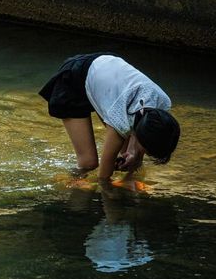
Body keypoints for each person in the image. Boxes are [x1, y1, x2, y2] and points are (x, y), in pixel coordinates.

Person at [39, 52, 180, 182]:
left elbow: (141, 126)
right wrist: (110, 197)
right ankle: (70, 183)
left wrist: (133, 154)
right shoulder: (120, 124)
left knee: (128, 155)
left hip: (107, 76)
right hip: (74, 79)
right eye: (146, 151)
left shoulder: (162, 104)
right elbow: (103, 176)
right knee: (89, 162)